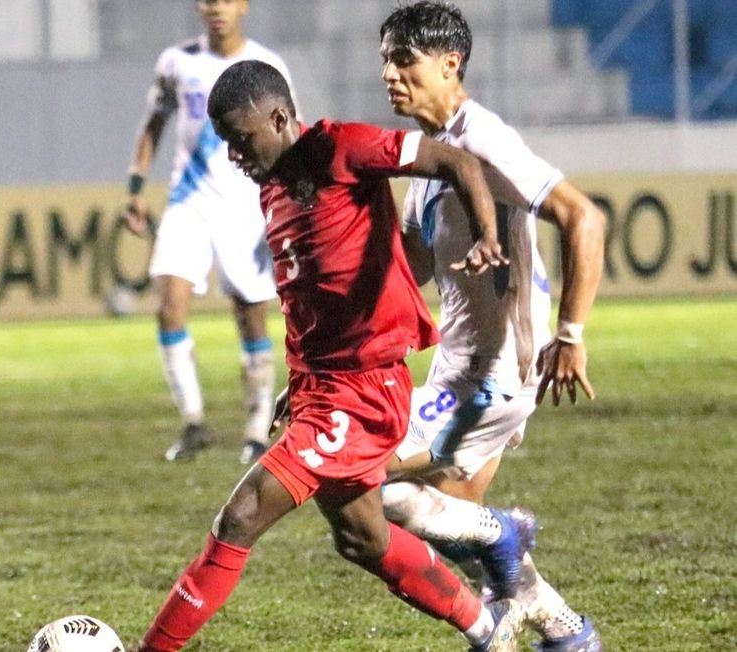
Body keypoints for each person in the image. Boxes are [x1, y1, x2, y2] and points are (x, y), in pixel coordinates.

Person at [137, 59, 527, 652]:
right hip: (325, 386)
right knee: (362, 539)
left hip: (363, 392)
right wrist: (300, 381)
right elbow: (312, 297)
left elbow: (456, 161)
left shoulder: (343, 148)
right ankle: (485, 628)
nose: (235, 157)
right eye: (226, 146)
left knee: (241, 516)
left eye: (241, 141)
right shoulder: (272, 186)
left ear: (277, 117)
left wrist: (487, 236)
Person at [374, 3, 607, 651]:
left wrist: (571, 334)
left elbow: (583, 219)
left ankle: (506, 568)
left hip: (492, 376)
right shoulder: (429, 162)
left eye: (404, 59)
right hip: (459, 370)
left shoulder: (484, 141)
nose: (389, 74)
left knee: (365, 481)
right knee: (460, 533)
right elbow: (403, 281)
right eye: (385, 60)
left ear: (450, 64)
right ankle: (564, 630)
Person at [124, 0, 296, 464]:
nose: (215, 8)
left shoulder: (266, 65)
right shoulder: (177, 62)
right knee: (168, 306)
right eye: (207, 0)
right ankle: (194, 422)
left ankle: (258, 431)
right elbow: (152, 126)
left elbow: (288, 135)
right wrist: (136, 188)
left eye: (225, 0)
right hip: (189, 201)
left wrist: (286, 200)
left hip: (246, 203)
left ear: (243, 6)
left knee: (251, 316)